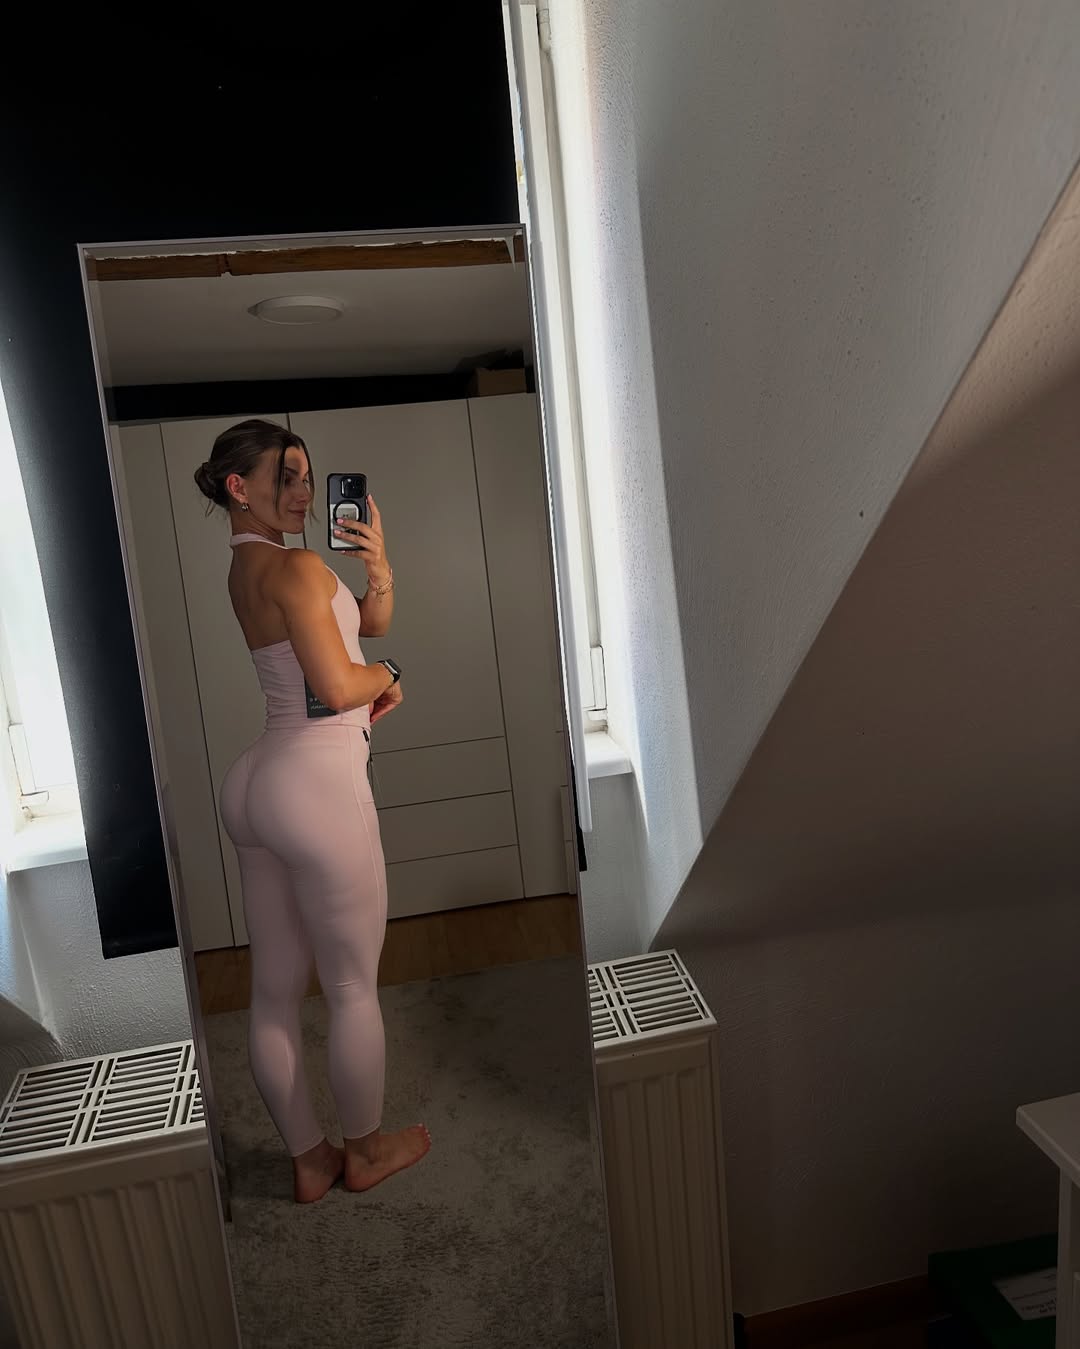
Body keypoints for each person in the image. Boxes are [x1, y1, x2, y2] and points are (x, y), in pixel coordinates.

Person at [194, 418, 430, 1203]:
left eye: (307, 477)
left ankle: (308, 1158)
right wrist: (388, 675)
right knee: (353, 986)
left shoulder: (249, 568)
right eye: (286, 477)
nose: (303, 492)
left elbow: (363, 625)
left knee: (273, 992)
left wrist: (379, 567)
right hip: (316, 783)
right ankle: (363, 1152)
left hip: (258, 783)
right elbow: (339, 682)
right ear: (239, 486)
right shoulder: (296, 566)